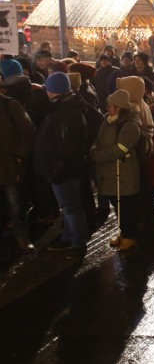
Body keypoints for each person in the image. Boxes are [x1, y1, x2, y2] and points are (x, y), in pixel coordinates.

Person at [37, 73, 90, 256]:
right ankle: (68, 237)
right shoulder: (66, 106)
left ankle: (78, 244)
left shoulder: (66, 112)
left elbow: (65, 146)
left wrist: (56, 170)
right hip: (65, 168)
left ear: (54, 90)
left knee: (71, 207)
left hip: (64, 170)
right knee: (69, 207)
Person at [90, 90, 142, 251]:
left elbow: (120, 149)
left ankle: (129, 235)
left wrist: (98, 156)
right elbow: (99, 139)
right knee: (117, 204)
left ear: (118, 107)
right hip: (109, 172)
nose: (107, 108)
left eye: (110, 106)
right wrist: (94, 149)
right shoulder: (109, 120)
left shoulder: (130, 125)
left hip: (123, 172)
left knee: (126, 205)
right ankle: (124, 232)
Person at [0, 86, 36, 252]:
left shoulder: (10, 105)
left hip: (8, 165)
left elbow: (28, 132)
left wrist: (19, 157)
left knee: (15, 204)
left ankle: (21, 236)